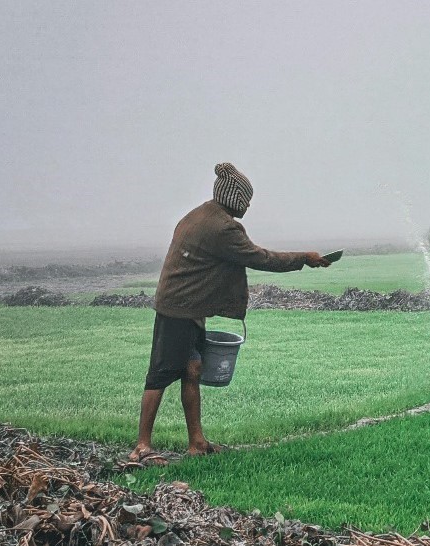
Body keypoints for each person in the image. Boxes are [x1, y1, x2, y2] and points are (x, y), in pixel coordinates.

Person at [128, 162, 331, 464]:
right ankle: (142, 446)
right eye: (246, 200)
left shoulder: (200, 214)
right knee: (160, 374)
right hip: (179, 309)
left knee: (192, 369)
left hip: (188, 306)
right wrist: (304, 258)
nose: (248, 206)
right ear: (235, 199)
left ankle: (197, 442)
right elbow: (259, 257)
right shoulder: (223, 227)